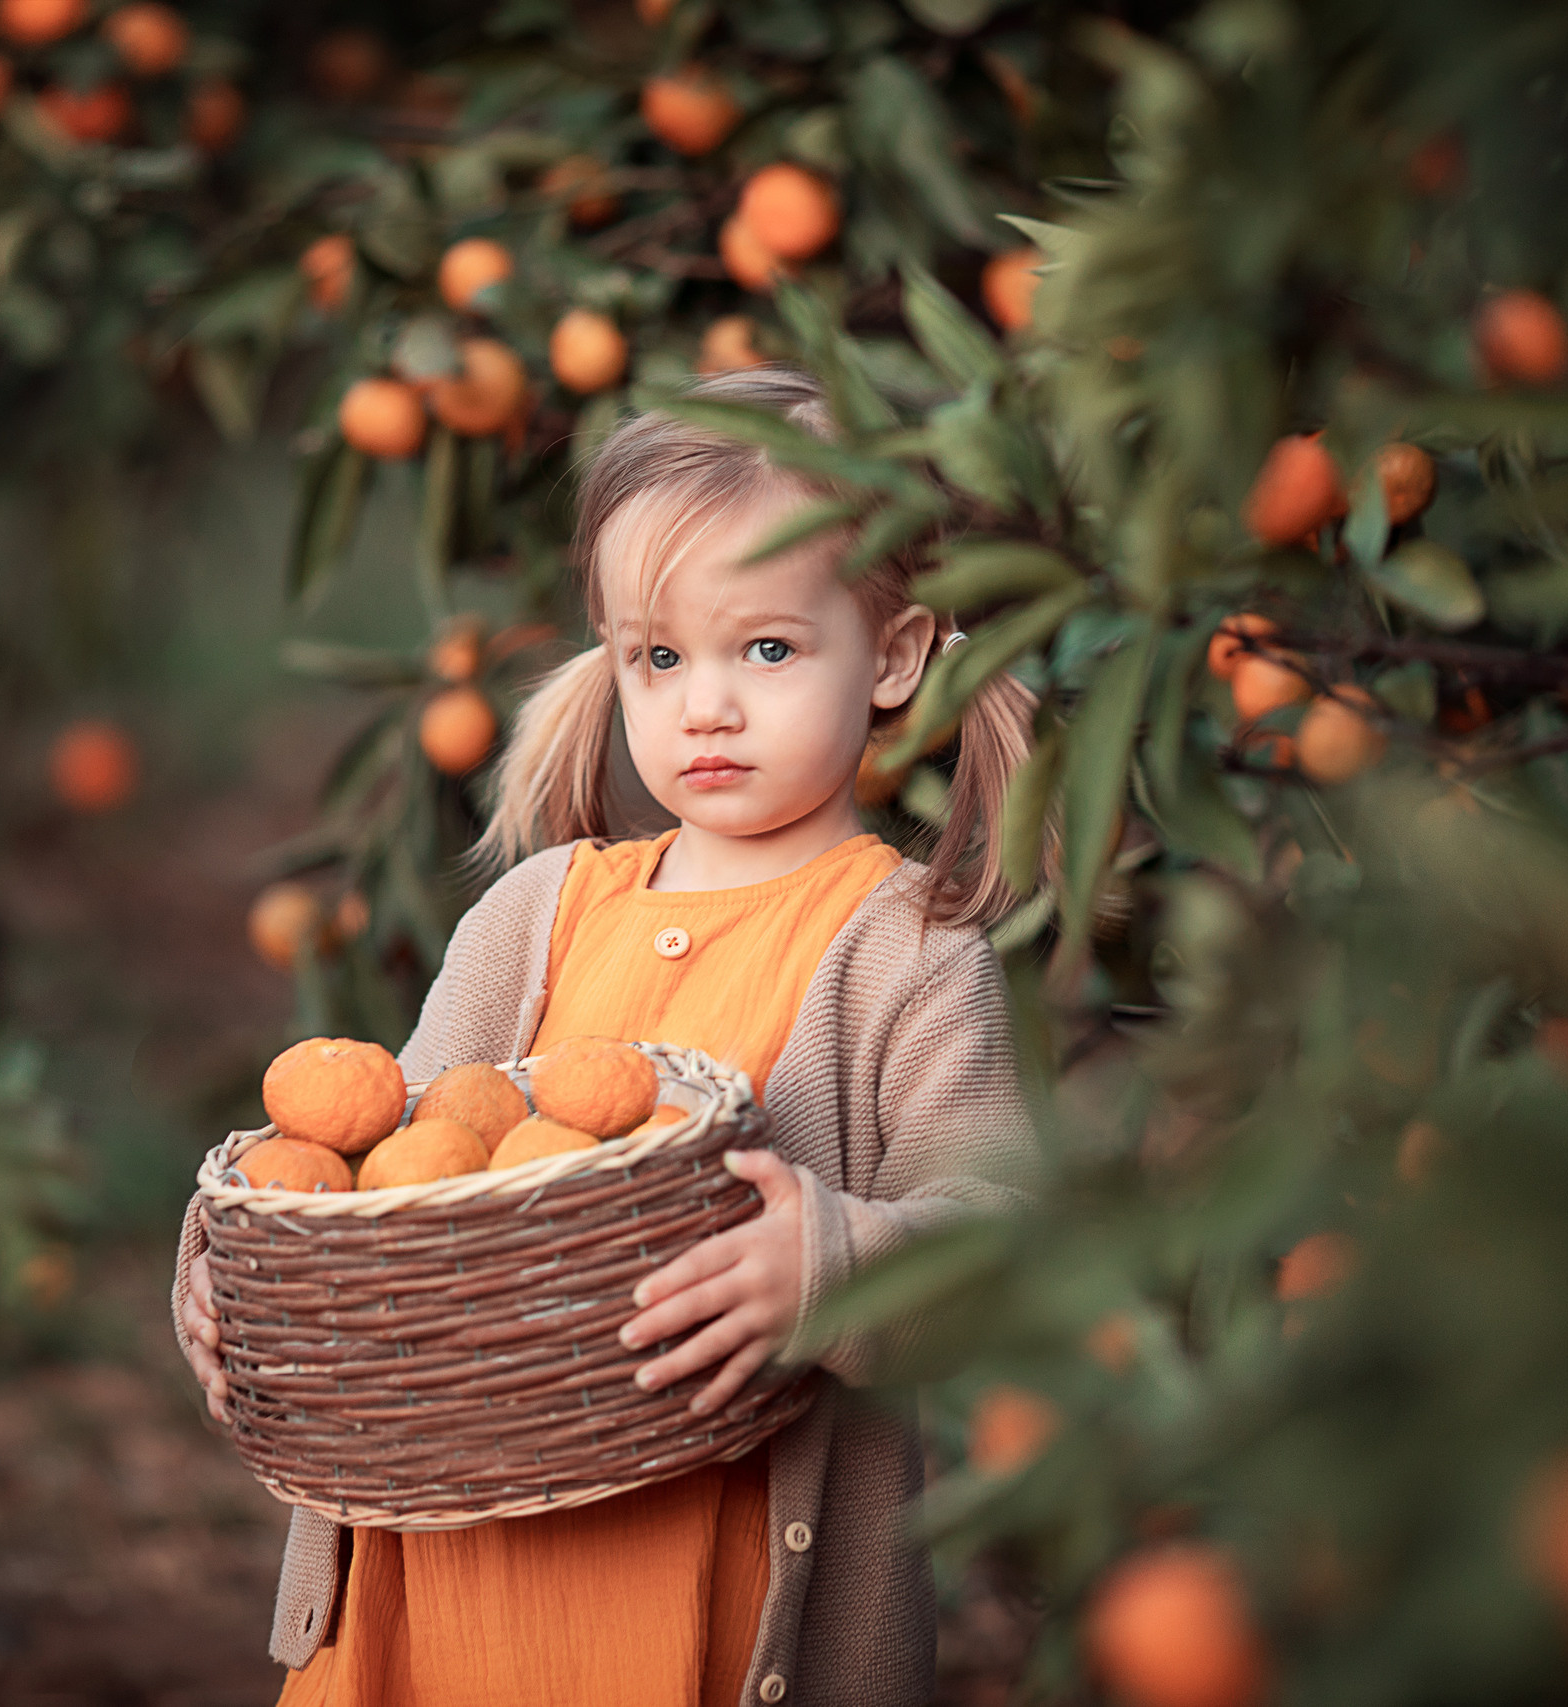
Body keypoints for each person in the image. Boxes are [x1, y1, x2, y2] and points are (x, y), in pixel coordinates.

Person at [176, 366, 1043, 1707]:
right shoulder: (536, 918)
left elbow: (1003, 1241)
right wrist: (251, 1269)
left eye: (766, 648)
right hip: (451, 1590)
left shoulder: (908, 954)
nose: (704, 704)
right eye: (660, 655)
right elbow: (381, 1164)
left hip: (707, 1616)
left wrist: (835, 1262)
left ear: (893, 654)